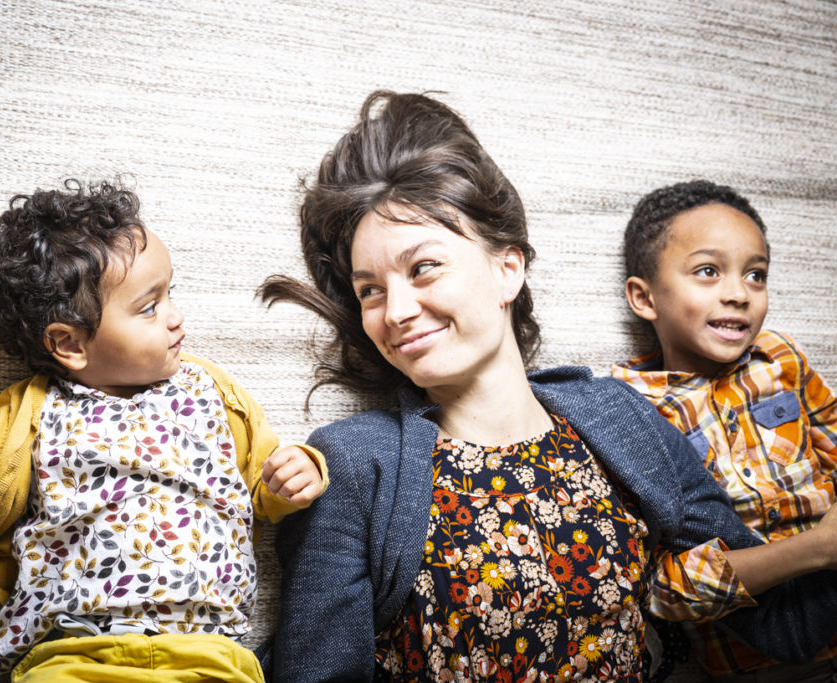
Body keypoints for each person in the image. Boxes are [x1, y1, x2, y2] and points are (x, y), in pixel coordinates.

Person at [259, 92, 837, 682]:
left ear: (507, 268)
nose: (396, 310)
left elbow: (786, 627)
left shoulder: (622, 418)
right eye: (370, 291)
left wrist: (822, 547)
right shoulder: (349, 465)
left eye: (423, 267)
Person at [0, 180, 327, 682]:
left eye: (170, 293)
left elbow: (261, 487)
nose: (176, 318)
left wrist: (295, 474)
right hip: (71, 655)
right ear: (69, 345)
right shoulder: (28, 416)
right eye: (149, 306)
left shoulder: (211, 390)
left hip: (208, 654)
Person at [613, 179, 837, 682]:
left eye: (755, 275)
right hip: (754, 664)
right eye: (708, 272)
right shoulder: (628, 407)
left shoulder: (780, 359)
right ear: (644, 298)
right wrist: (818, 550)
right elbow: (663, 592)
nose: (739, 294)